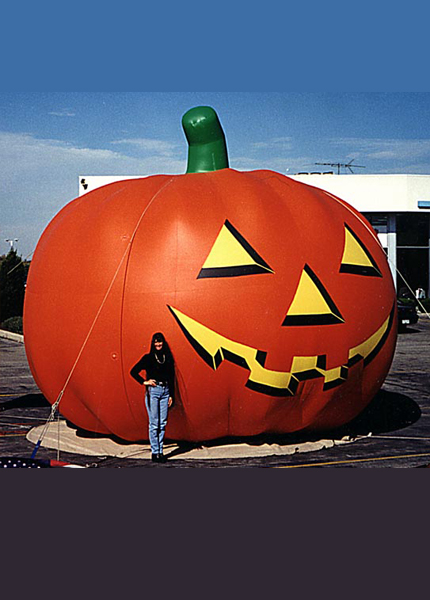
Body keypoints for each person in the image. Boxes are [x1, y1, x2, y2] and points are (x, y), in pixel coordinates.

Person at [130, 332, 175, 463]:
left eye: (160, 341)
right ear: (152, 343)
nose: (158, 344)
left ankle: (160, 451)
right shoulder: (148, 358)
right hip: (154, 392)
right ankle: (155, 452)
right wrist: (144, 382)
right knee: (154, 423)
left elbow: (171, 377)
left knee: (162, 423)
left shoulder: (167, 357)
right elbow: (133, 371)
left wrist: (171, 394)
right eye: (155, 342)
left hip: (165, 391)